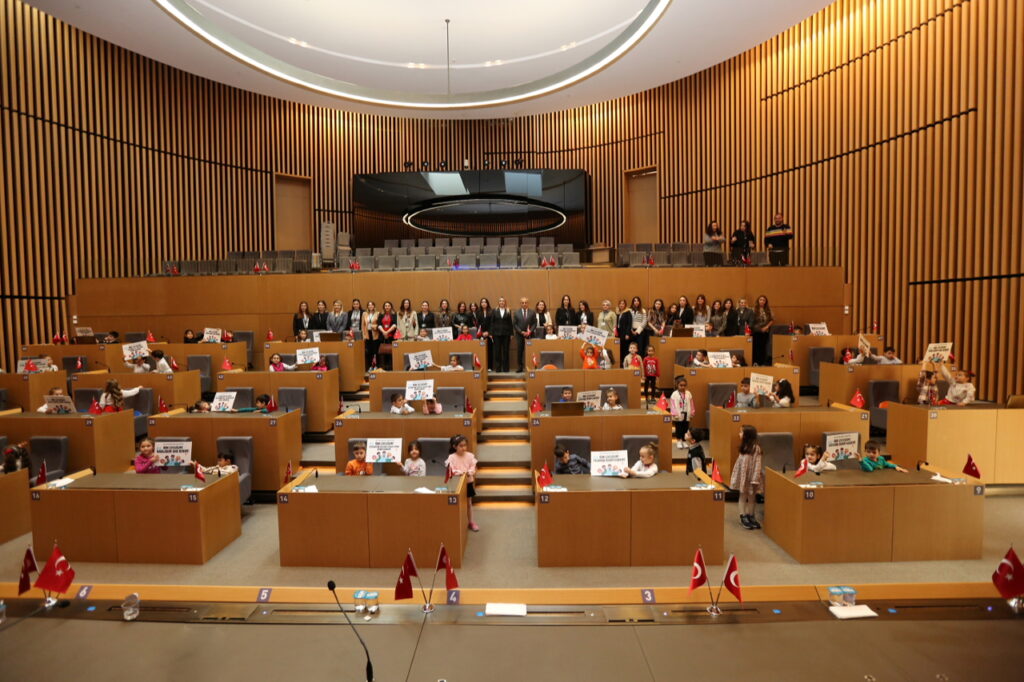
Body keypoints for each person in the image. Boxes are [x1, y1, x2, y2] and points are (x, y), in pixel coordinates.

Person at [445, 435, 479, 531]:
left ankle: (471, 522)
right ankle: (455, 523)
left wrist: (470, 472)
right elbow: (451, 469)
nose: (463, 448)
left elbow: (473, 467)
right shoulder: (451, 457)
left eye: (465, 445)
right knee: (456, 504)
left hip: (468, 483)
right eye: (461, 446)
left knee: (469, 503)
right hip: (457, 484)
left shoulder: (470, 456)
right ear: (454, 446)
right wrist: (459, 473)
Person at [732, 425, 763, 529]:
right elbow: (740, 464)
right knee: (743, 495)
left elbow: (758, 464)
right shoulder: (743, 447)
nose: (739, 434)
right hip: (743, 476)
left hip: (753, 477)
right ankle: (743, 516)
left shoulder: (756, 448)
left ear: (747, 435)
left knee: (752, 497)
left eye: (741, 432)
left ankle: (751, 515)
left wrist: (755, 478)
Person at [669, 377, 695, 448]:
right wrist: (674, 413)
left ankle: (684, 441)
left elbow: (691, 403)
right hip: (678, 414)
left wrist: (692, 412)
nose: (683, 387)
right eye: (681, 385)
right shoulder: (674, 394)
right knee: (679, 428)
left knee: (685, 428)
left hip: (686, 413)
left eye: (684, 385)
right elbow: (672, 405)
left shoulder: (688, 393)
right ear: (677, 385)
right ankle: (678, 441)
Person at [489, 296, 513, 373]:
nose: (501, 302)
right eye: (500, 301)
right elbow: (492, 322)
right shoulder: (494, 311)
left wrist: (511, 333)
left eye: (503, 301)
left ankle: (506, 368)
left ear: (505, 302)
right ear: (498, 302)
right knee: (497, 351)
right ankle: (498, 368)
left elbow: (510, 323)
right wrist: (491, 333)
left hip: (506, 334)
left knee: (506, 351)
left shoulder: (508, 310)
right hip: (496, 334)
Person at [513, 297, 536, 373]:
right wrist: (521, 332)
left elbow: (534, 323)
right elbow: (515, 324)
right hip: (520, 335)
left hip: (530, 335)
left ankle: (530, 366)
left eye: (525, 302)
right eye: (522, 303)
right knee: (520, 351)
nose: (524, 304)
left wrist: (530, 331)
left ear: (528, 303)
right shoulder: (516, 313)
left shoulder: (532, 312)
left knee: (530, 351)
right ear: (520, 304)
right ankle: (520, 367)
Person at [751, 295, 774, 365]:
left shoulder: (768, 310)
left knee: (763, 347)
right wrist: (758, 328)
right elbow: (751, 321)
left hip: (765, 331)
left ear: (765, 302)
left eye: (763, 300)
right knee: (755, 347)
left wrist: (766, 327)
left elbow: (772, 320)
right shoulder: (753, 309)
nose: (762, 301)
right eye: (760, 300)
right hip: (756, 331)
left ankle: (761, 363)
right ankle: (755, 362)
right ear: (758, 301)